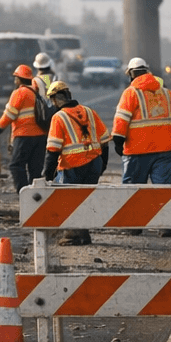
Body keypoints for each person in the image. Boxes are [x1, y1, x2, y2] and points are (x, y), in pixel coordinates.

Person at [40, 80, 111, 246]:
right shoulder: (89, 112)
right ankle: (83, 235)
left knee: (67, 200)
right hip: (94, 163)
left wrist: (47, 174)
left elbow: (53, 149)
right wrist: (103, 164)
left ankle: (73, 235)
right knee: (84, 200)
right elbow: (105, 141)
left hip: (72, 166)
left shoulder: (59, 117)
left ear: (55, 99)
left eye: (52, 100)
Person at [111, 57, 171, 183]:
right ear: (147, 71)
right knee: (163, 195)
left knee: (133, 195)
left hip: (136, 151)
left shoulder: (130, 93)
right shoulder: (166, 93)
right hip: (165, 149)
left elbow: (121, 120)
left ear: (131, 74)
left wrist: (118, 141)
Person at [0, 65, 45, 191]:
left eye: (15, 78)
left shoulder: (20, 92)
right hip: (41, 136)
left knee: (16, 165)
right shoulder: (36, 92)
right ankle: (35, 196)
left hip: (24, 135)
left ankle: (23, 192)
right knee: (35, 169)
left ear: (18, 79)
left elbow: (10, 114)